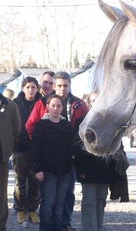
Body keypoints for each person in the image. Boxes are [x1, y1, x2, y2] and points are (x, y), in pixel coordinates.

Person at [26, 71, 88, 231]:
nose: (62, 88)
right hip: (47, 161)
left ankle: (64, 223)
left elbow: (84, 129)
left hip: (68, 160)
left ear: (69, 86)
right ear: (54, 86)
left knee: (66, 195)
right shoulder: (43, 103)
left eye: (65, 85)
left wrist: (76, 153)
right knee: (49, 199)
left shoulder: (79, 104)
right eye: (59, 85)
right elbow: (30, 125)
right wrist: (41, 152)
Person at [74, 92, 122, 231]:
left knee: (101, 201)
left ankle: (98, 227)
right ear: (89, 103)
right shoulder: (81, 122)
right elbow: (78, 150)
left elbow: (117, 146)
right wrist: (81, 170)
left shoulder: (111, 123)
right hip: (88, 170)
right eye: (93, 100)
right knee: (89, 202)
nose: (97, 102)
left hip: (104, 170)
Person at [30, 94, 75, 231]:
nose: (55, 108)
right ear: (48, 107)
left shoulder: (66, 125)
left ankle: (58, 228)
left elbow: (72, 145)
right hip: (47, 171)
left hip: (64, 171)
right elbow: (35, 148)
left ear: (62, 108)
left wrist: (72, 159)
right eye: (53, 105)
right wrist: (38, 169)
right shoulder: (41, 125)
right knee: (48, 202)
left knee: (60, 203)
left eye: (58, 106)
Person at [12, 77, 42, 224]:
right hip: (19, 149)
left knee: (35, 181)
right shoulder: (15, 105)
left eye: (33, 87)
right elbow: (8, 123)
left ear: (37, 88)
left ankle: (32, 209)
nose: (31, 90)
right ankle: (19, 209)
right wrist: (14, 139)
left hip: (37, 150)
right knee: (20, 181)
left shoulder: (42, 103)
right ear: (23, 88)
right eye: (28, 87)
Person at [0, 92, 21, 231]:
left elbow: (17, 128)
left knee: (1, 192)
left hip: (2, 156)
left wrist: (7, 145)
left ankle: (1, 224)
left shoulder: (10, 105)